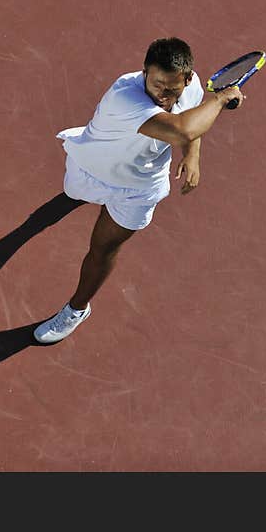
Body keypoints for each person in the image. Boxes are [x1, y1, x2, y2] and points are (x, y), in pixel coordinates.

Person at [33, 37, 244, 343]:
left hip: (138, 187)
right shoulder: (125, 96)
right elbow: (184, 127)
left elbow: (193, 116)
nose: (162, 94)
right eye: (156, 84)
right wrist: (221, 100)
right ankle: (76, 199)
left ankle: (76, 309)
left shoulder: (193, 86)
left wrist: (193, 154)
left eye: (172, 89)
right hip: (91, 168)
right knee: (72, 195)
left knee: (103, 248)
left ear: (186, 79)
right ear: (145, 72)